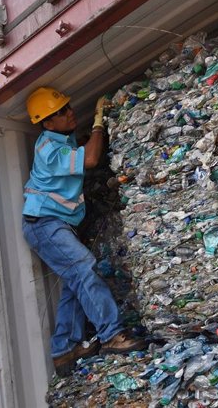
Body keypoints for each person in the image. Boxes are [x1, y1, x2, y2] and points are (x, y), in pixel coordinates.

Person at [21, 86, 146, 377]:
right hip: (44, 224)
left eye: (67, 106)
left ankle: (64, 349)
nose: (69, 112)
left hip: (54, 224)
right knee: (85, 267)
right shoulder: (49, 148)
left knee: (75, 282)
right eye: (60, 111)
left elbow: (82, 153)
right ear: (47, 122)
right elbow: (90, 159)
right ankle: (112, 335)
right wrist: (99, 122)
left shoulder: (60, 142)